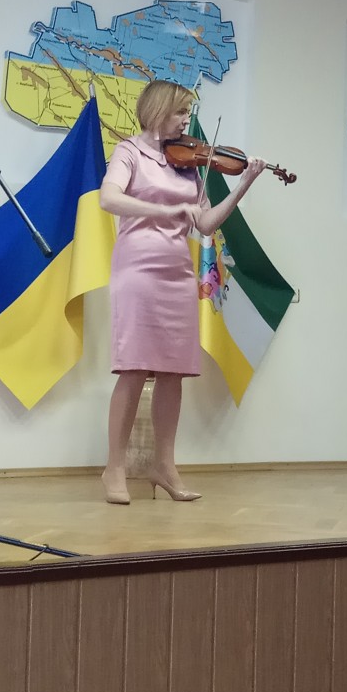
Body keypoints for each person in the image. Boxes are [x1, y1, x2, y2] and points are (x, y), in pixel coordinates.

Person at [99, 80, 266, 505]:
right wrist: (166, 209)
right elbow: (109, 198)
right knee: (134, 367)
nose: (186, 120)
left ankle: (165, 466)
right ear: (158, 110)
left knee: (173, 372)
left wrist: (244, 184)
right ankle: (114, 467)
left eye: (188, 112)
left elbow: (205, 223)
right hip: (137, 269)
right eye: (181, 112)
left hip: (177, 272)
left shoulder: (188, 164)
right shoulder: (130, 152)